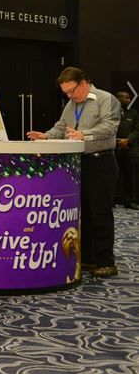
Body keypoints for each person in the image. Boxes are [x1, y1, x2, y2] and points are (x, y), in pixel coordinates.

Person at [26, 67, 121, 278]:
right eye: (66, 93)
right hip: (78, 163)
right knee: (83, 213)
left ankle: (106, 261)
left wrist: (84, 134)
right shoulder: (71, 104)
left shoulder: (106, 99)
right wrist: (46, 136)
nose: (70, 96)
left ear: (84, 82)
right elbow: (61, 127)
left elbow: (110, 127)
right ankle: (88, 258)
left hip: (101, 162)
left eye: (72, 91)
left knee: (100, 213)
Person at [114, 90, 139, 210]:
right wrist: (116, 142)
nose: (129, 100)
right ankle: (113, 199)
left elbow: (137, 130)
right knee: (113, 175)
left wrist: (127, 140)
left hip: (130, 148)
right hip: (113, 148)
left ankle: (130, 201)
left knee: (131, 176)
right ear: (118, 99)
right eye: (126, 98)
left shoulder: (133, 113)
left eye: (129, 98)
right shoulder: (111, 113)